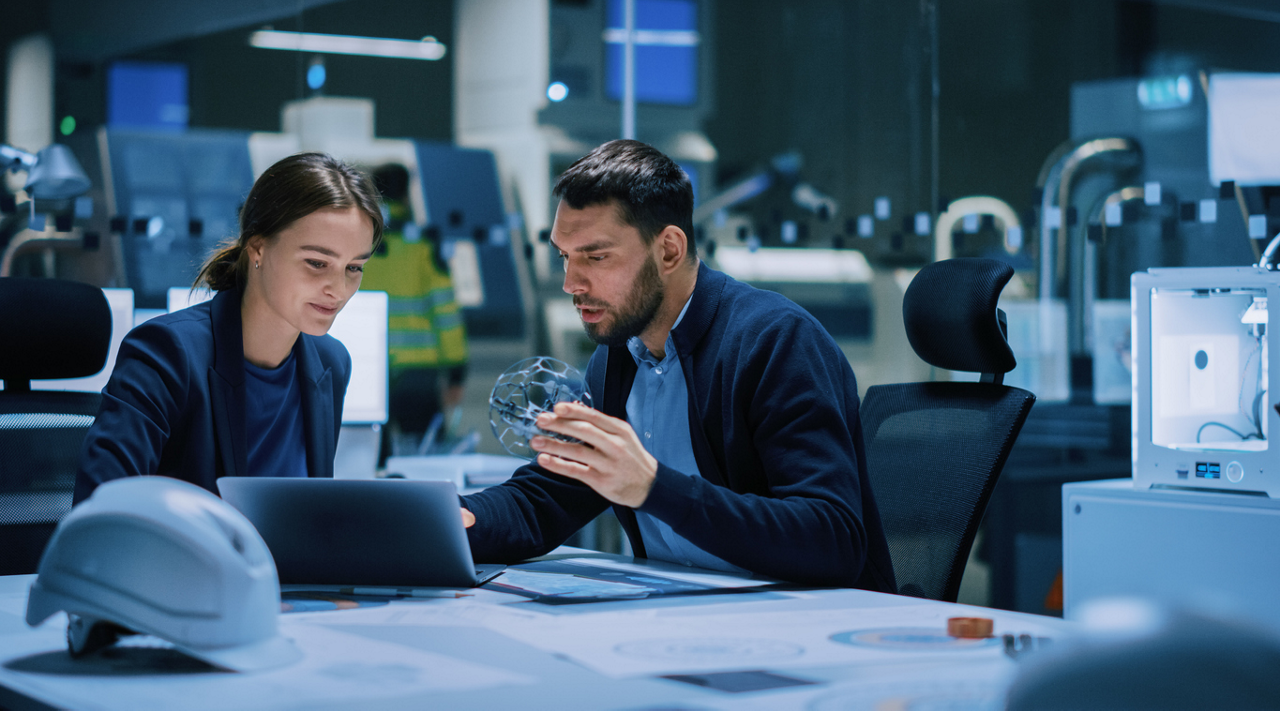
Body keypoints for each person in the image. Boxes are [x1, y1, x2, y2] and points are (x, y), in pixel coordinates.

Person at [461, 140, 896, 590]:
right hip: (683, 613)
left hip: (802, 625)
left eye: (595, 256)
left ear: (668, 250)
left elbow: (832, 539)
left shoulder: (775, 341)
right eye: (565, 256)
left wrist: (653, 488)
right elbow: (549, 496)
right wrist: (454, 520)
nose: (572, 282)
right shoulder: (618, 356)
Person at [74, 152, 384, 503]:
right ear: (258, 250)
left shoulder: (331, 363)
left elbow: (307, 512)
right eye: (316, 263)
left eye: (354, 268)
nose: (338, 289)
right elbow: (100, 511)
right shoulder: (168, 353)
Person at [359, 163, 469, 461]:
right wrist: (457, 371)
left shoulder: (360, 244)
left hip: (367, 371)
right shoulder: (423, 246)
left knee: (369, 459)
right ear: (407, 195)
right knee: (424, 459)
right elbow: (445, 313)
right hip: (418, 372)